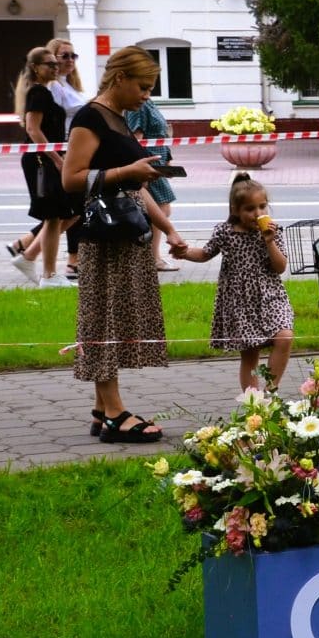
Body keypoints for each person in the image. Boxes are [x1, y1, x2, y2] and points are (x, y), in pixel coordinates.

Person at [61, 45, 191, 443]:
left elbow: (135, 184)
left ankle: (103, 409)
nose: (147, 95)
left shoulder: (117, 117)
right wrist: (126, 170)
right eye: (143, 86)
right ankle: (116, 414)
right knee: (104, 321)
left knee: (113, 319)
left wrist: (167, 228)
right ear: (119, 78)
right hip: (106, 239)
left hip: (127, 233)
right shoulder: (89, 118)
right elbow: (71, 178)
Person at [175, 173, 294, 393]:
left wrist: (269, 242)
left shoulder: (273, 232)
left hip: (270, 295)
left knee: (284, 337)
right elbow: (204, 254)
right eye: (250, 209)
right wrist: (184, 253)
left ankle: (270, 391)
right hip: (239, 301)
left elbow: (280, 267)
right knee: (250, 353)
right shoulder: (225, 232)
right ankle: (254, 403)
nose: (257, 214)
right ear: (235, 210)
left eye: (262, 206)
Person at [6, 46, 78, 286]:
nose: (55, 68)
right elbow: (32, 129)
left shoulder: (46, 92)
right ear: (35, 68)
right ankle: (48, 274)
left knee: (62, 214)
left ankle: (32, 260)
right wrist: (57, 158)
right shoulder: (38, 94)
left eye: (55, 64)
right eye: (50, 64)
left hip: (46, 158)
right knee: (53, 215)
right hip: (41, 161)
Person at [127, 92, 183, 271]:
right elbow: (137, 139)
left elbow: (160, 134)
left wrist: (167, 159)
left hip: (158, 161)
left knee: (160, 208)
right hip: (150, 163)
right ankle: (153, 258)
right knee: (159, 208)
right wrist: (141, 168)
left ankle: (152, 256)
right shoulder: (139, 105)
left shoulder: (148, 102)